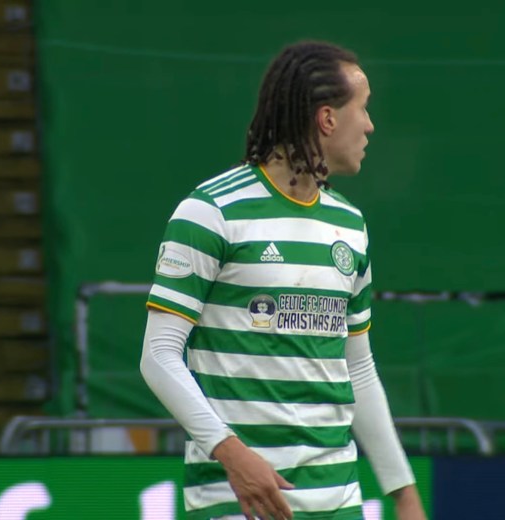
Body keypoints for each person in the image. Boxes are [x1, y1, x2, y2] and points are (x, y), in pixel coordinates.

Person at [140, 41, 426, 519]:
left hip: (338, 500)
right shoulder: (210, 212)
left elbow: (357, 369)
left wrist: (404, 492)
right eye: (363, 108)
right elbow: (158, 355)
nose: (371, 125)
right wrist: (231, 453)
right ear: (327, 118)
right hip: (240, 500)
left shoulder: (350, 225)